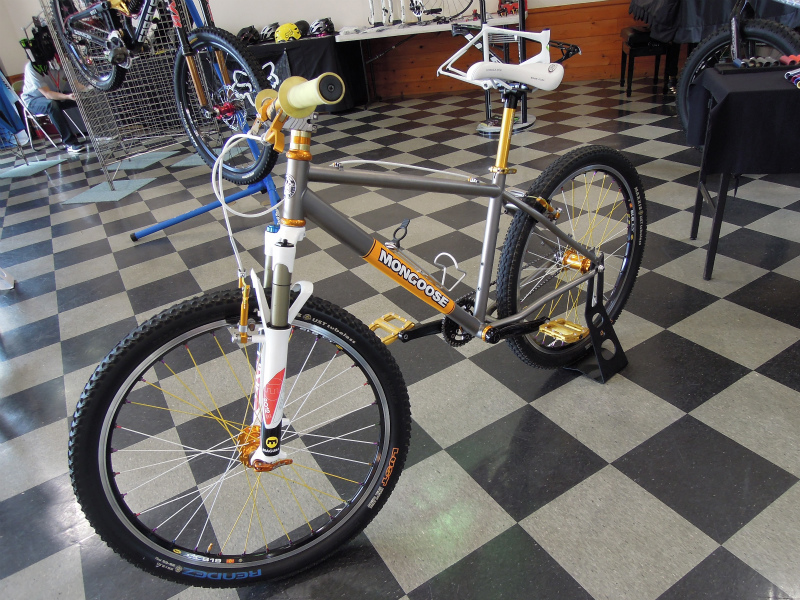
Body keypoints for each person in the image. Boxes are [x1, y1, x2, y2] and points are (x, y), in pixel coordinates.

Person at [20, 59, 84, 153]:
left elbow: (75, 83)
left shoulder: (64, 63)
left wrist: (88, 90)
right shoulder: (33, 66)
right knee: (51, 104)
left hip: (56, 94)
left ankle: (98, 132)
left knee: (84, 98)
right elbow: (47, 94)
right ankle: (70, 142)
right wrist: (67, 97)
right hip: (33, 100)